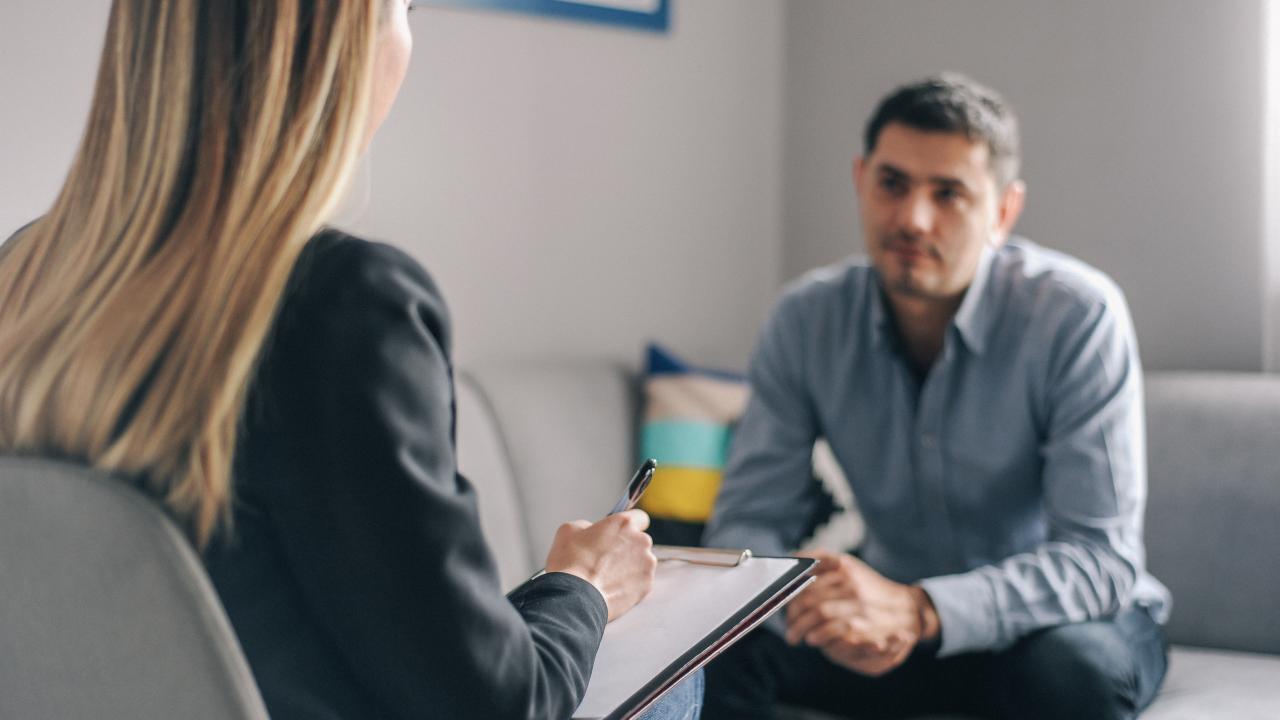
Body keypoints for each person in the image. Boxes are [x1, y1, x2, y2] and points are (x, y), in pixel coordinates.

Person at [0, 1, 700, 718]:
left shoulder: (22, 278)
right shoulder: (341, 307)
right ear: (338, 42)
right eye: (403, 8)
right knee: (674, 670)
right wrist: (583, 585)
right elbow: (499, 706)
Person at [701, 74, 1170, 720]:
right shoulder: (804, 320)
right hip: (885, 627)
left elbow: (1101, 562)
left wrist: (922, 610)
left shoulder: (1076, 316)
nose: (912, 219)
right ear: (861, 179)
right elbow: (746, 525)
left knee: (1071, 675)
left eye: (948, 194)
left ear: (1003, 212)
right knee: (715, 647)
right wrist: (811, 601)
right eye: (892, 184)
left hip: (1049, 627)